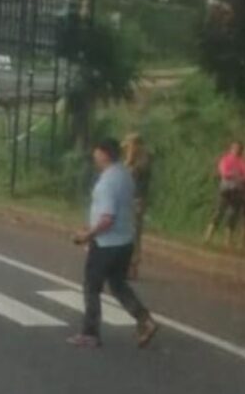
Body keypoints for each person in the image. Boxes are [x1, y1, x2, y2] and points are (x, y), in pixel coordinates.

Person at [68, 138, 158, 349]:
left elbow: (107, 218)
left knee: (91, 286)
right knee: (118, 284)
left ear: (105, 154)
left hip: (106, 243)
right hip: (125, 241)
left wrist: (86, 235)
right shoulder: (124, 174)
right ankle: (144, 319)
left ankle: (90, 333)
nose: (94, 156)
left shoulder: (107, 182)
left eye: (97, 152)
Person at [204, 142, 245, 248]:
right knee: (219, 212)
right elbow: (224, 173)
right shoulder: (225, 159)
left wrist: (235, 175)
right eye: (235, 148)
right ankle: (208, 237)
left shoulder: (242, 162)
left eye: (239, 149)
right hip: (226, 190)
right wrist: (236, 175)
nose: (237, 150)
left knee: (232, 216)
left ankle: (227, 241)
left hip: (237, 191)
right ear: (231, 149)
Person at [122, 133, 152, 279]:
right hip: (128, 199)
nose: (128, 149)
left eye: (130, 146)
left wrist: (128, 161)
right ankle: (126, 264)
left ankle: (132, 265)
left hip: (136, 199)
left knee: (133, 233)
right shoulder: (135, 161)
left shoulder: (141, 162)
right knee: (128, 231)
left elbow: (129, 175)